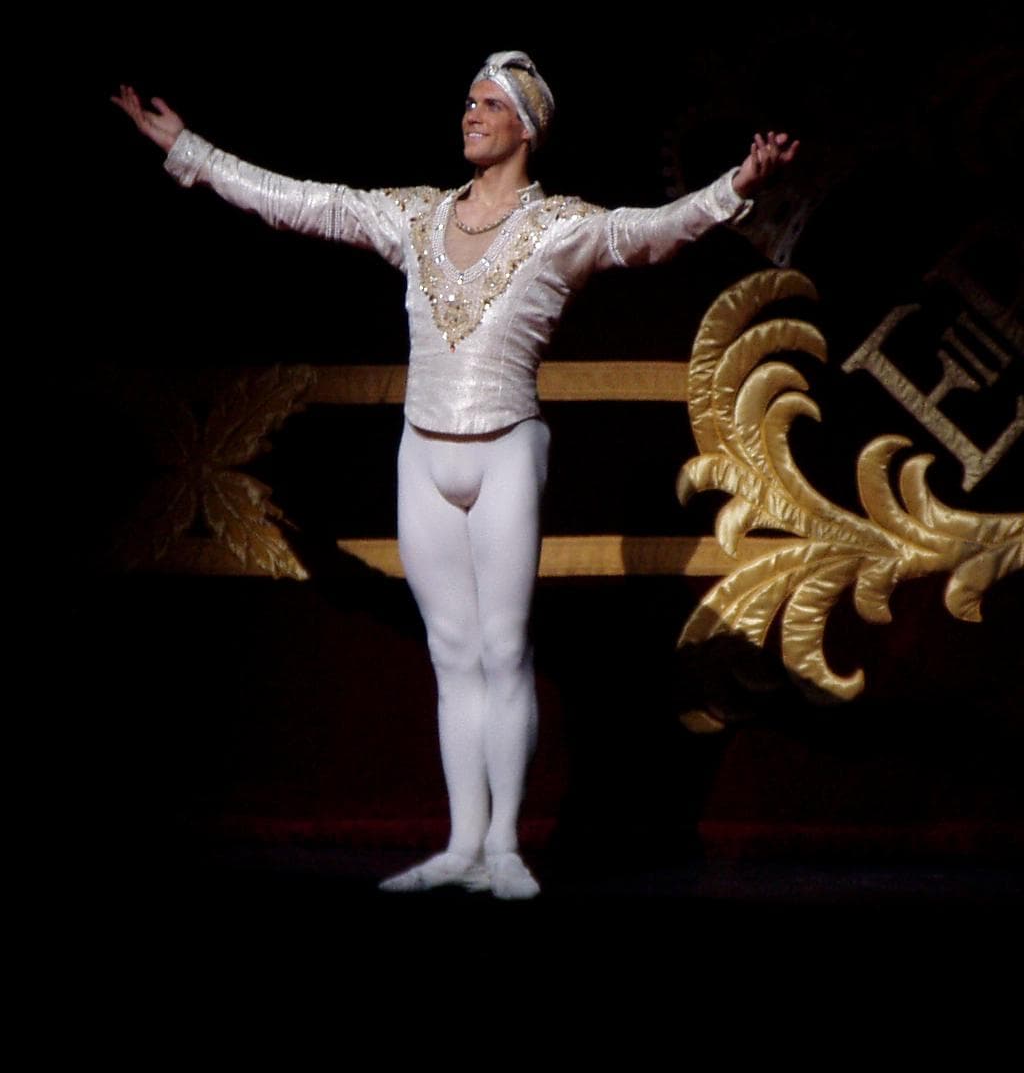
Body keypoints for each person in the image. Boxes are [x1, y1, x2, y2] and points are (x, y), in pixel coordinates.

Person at [113, 51, 798, 899]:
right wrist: (190, 151)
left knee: (504, 650)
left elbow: (647, 233)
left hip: (507, 450)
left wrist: (738, 184)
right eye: (467, 103)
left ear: (526, 125)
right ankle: (461, 843)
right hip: (422, 453)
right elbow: (305, 203)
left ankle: (504, 848)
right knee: (451, 654)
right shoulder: (415, 217)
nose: (468, 115)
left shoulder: (560, 229)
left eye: (485, 104)